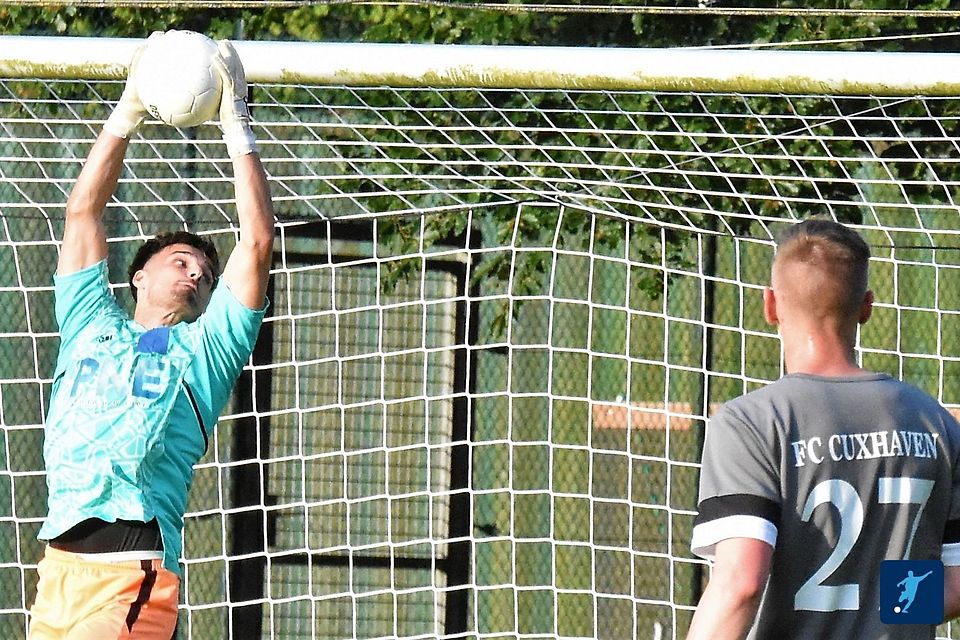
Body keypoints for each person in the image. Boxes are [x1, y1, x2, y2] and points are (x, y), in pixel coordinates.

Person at [27, 32, 275, 639]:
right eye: (182, 260)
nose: (195, 273)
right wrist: (128, 109)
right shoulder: (89, 327)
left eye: (204, 273)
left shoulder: (206, 352)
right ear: (137, 275)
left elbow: (259, 241)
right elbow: (84, 211)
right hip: (56, 574)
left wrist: (235, 123)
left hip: (129, 570)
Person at [687, 218, 960, 639]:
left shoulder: (751, 422)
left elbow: (740, 584)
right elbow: (957, 582)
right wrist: (880, 603)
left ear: (770, 305)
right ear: (867, 306)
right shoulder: (933, 420)